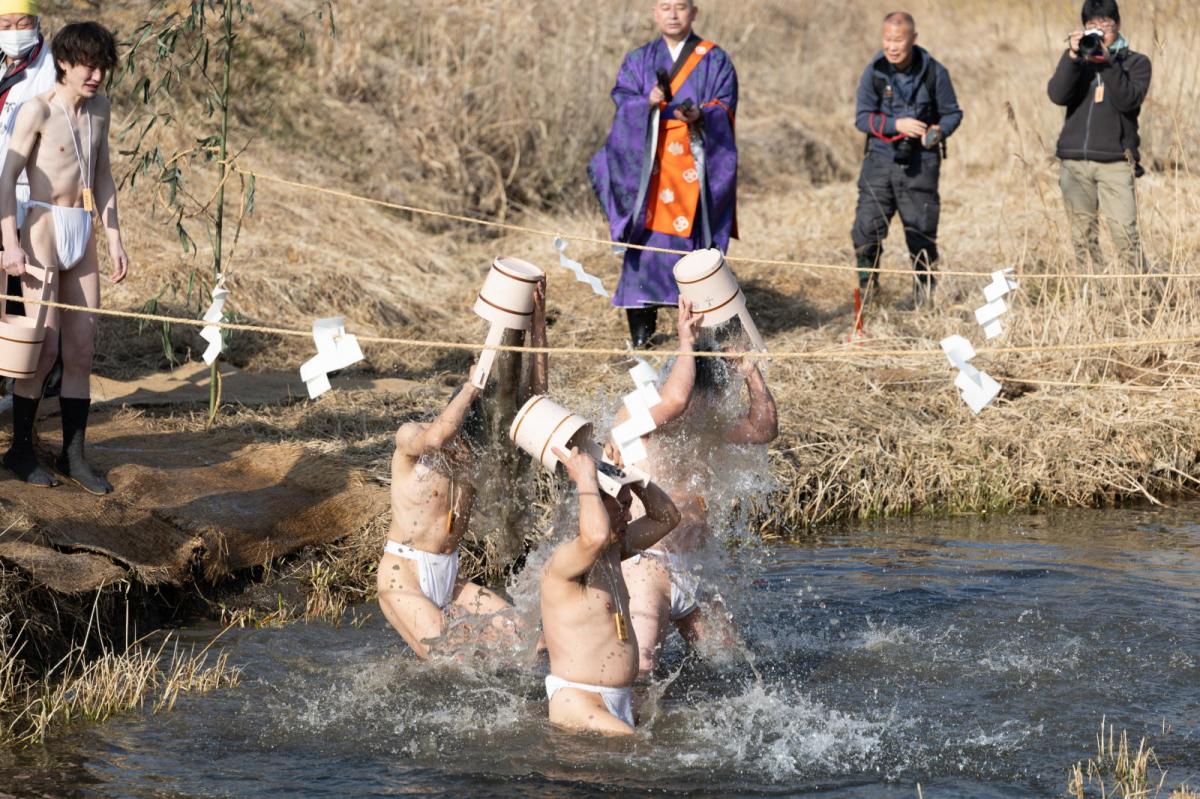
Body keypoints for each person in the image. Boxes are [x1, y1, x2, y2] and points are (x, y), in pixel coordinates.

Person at [377, 281, 548, 660]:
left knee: (530, 643)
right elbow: (438, 438)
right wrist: (474, 386)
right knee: (450, 657)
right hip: (402, 572)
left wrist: (537, 325)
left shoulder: (475, 456)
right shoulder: (412, 439)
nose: (469, 446)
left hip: (449, 575)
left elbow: (536, 402)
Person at [608, 299, 777, 675]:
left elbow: (763, 429)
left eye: (710, 402)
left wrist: (750, 373)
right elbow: (676, 400)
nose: (704, 411)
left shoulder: (704, 426)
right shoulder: (638, 418)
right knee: (640, 668)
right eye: (700, 401)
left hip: (694, 571)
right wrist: (687, 341)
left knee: (732, 664)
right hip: (646, 567)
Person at [0, 21, 126, 494]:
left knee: (80, 350)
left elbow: (105, 174)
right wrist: (10, 242)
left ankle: (75, 455)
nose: (95, 75)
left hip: (83, 230)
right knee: (42, 349)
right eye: (87, 66)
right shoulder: (38, 110)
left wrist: (114, 237)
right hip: (41, 230)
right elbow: (6, 177)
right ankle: (21, 450)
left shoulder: (100, 110)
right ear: (65, 64)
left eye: (102, 67)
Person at [590, 0, 738, 349]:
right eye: (664, 6)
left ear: (694, 12)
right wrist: (647, 101)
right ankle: (642, 330)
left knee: (692, 243)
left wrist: (701, 114)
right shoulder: (638, 59)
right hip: (650, 168)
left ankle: (701, 328)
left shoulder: (715, 58)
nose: (673, 14)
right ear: (654, 12)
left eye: (681, 7)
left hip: (694, 162)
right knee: (646, 240)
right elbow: (623, 99)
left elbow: (725, 104)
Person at [540, 445, 680, 735]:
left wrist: (631, 477)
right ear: (596, 508)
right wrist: (585, 478)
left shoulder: (614, 552)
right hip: (578, 699)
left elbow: (667, 517)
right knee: (642, 761)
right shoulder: (565, 560)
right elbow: (595, 535)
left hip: (620, 700)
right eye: (622, 508)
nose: (629, 517)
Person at [851, 11, 962, 308]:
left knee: (921, 233)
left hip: (921, 164)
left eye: (899, 40)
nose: (892, 46)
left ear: (913, 39)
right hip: (879, 160)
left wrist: (938, 132)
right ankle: (869, 289)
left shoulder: (934, 72)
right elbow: (862, 118)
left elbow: (953, 112)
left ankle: (924, 299)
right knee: (865, 229)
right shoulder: (873, 72)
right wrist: (895, 125)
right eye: (887, 39)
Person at [1047, 0, 1151, 273]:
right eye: (1093, 25)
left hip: (1116, 160)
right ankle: (1094, 299)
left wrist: (1107, 62)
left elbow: (1129, 100)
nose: (1100, 30)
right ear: (1083, 29)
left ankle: (1141, 299)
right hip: (1075, 161)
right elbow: (1057, 95)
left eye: (1105, 23)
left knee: (1125, 235)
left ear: (1117, 24)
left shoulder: (1136, 62)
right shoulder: (1077, 61)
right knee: (1082, 238)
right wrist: (1072, 57)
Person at [0, 1, 55, 377]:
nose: (15, 29)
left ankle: (29, 382)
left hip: (26, 194)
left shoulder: (50, 69)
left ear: (37, 22)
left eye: (23, 22)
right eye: (6, 22)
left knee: (22, 299)